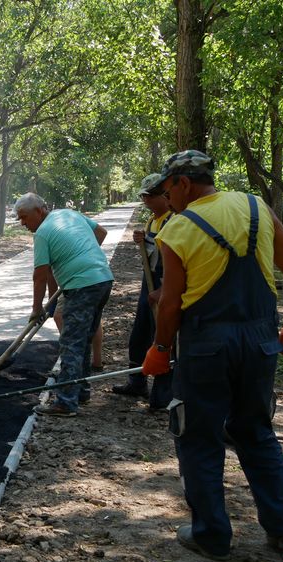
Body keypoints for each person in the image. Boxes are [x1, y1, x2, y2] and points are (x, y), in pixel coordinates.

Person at [142, 150, 283, 560]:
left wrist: (160, 350)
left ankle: (212, 535)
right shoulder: (255, 206)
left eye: (167, 189)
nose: (168, 198)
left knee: (199, 437)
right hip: (259, 339)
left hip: (206, 346)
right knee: (255, 430)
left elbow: (170, 304)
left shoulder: (177, 231)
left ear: (182, 183)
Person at [15, 193, 114, 416]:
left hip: (83, 286)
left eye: (24, 217)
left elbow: (39, 275)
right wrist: (84, 255)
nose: (22, 223)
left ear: (39, 211)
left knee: (71, 344)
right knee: (84, 339)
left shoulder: (42, 233)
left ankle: (65, 403)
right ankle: (81, 392)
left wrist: (36, 308)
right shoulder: (69, 215)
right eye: (19, 219)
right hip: (103, 279)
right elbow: (101, 233)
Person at [111, 173, 173, 410]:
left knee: (163, 336)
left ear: (165, 197)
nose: (146, 200)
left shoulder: (173, 221)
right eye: (143, 196)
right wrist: (142, 240)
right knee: (141, 333)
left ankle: (164, 393)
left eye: (150, 196)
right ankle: (136, 381)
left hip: (166, 283)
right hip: (149, 281)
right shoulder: (151, 221)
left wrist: (163, 289)